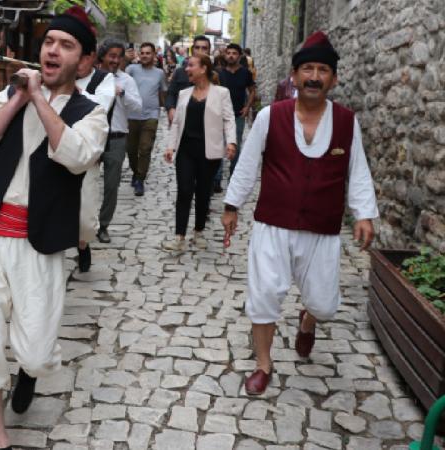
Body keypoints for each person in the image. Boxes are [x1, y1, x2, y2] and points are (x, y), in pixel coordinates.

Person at [0, 7, 107, 450]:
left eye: (66, 45)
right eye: (49, 42)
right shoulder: (9, 94)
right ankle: (0, 439)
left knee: (37, 354)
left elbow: (76, 156)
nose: (53, 51)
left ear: (85, 61)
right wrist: (19, 99)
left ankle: (28, 371)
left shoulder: (91, 112)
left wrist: (41, 101)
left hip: (39, 242)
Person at [221, 31, 379, 395]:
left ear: (333, 79)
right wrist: (231, 206)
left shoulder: (346, 122)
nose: (314, 77)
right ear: (294, 76)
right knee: (264, 296)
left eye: (323, 70)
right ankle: (263, 364)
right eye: (307, 69)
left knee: (324, 305)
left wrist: (363, 214)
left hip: (322, 228)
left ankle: (308, 320)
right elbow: (247, 163)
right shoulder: (269, 116)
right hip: (273, 224)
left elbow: (357, 170)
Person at [162, 54, 236, 253]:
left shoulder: (221, 93)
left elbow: (229, 119)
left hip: (209, 151)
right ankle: (179, 237)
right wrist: (170, 146)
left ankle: (199, 231)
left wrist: (231, 142)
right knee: (184, 191)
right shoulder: (184, 93)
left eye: (191, 66)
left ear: (203, 69)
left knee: (203, 192)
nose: (187, 69)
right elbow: (177, 123)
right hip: (186, 150)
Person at [96, 39, 142, 243]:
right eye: (111, 56)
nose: (115, 60)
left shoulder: (127, 81)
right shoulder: (92, 77)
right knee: (86, 182)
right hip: (93, 136)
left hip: (116, 138)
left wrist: (121, 93)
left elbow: (137, 107)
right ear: (103, 56)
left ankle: (103, 225)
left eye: (118, 57)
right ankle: (84, 222)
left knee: (111, 185)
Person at [75, 48, 116, 272]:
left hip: (88, 154)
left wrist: (74, 90)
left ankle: (83, 243)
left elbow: (100, 106)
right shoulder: (59, 77)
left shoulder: (104, 79)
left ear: (91, 57)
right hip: (56, 150)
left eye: (82, 57)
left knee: (86, 212)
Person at [125, 42, 167, 196]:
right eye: (142, 53)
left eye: (148, 53)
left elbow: (163, 91)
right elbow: (119, 78)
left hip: (151, 115)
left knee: (145, 148)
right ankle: (136, 172)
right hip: (131, 115)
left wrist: (165, 108)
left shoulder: (159, 73)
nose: (144, 55)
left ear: (154, 55)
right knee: (131, 149)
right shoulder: (131, 69)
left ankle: (140, 179)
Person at [213, 43, 256, 192]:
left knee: (235, 146)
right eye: (229, 53)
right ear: (225, 55)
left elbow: (252, 91)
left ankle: (233, 177)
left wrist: (247, 107)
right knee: (218, 146)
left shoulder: (245, 73)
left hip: (238, 115)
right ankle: (216, 179)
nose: (231, 56)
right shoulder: (218, 73)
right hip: (219, 115)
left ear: (239, 56)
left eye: (234, 53)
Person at [166, 35, 211, 125]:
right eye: (197, 47)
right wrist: (171, 109)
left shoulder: (216, 73)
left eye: (204, 48)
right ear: (192, 49)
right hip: (182, 118)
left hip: (206, 121)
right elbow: (171, 93)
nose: (200, 51)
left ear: (209, 50)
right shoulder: (180, 72)